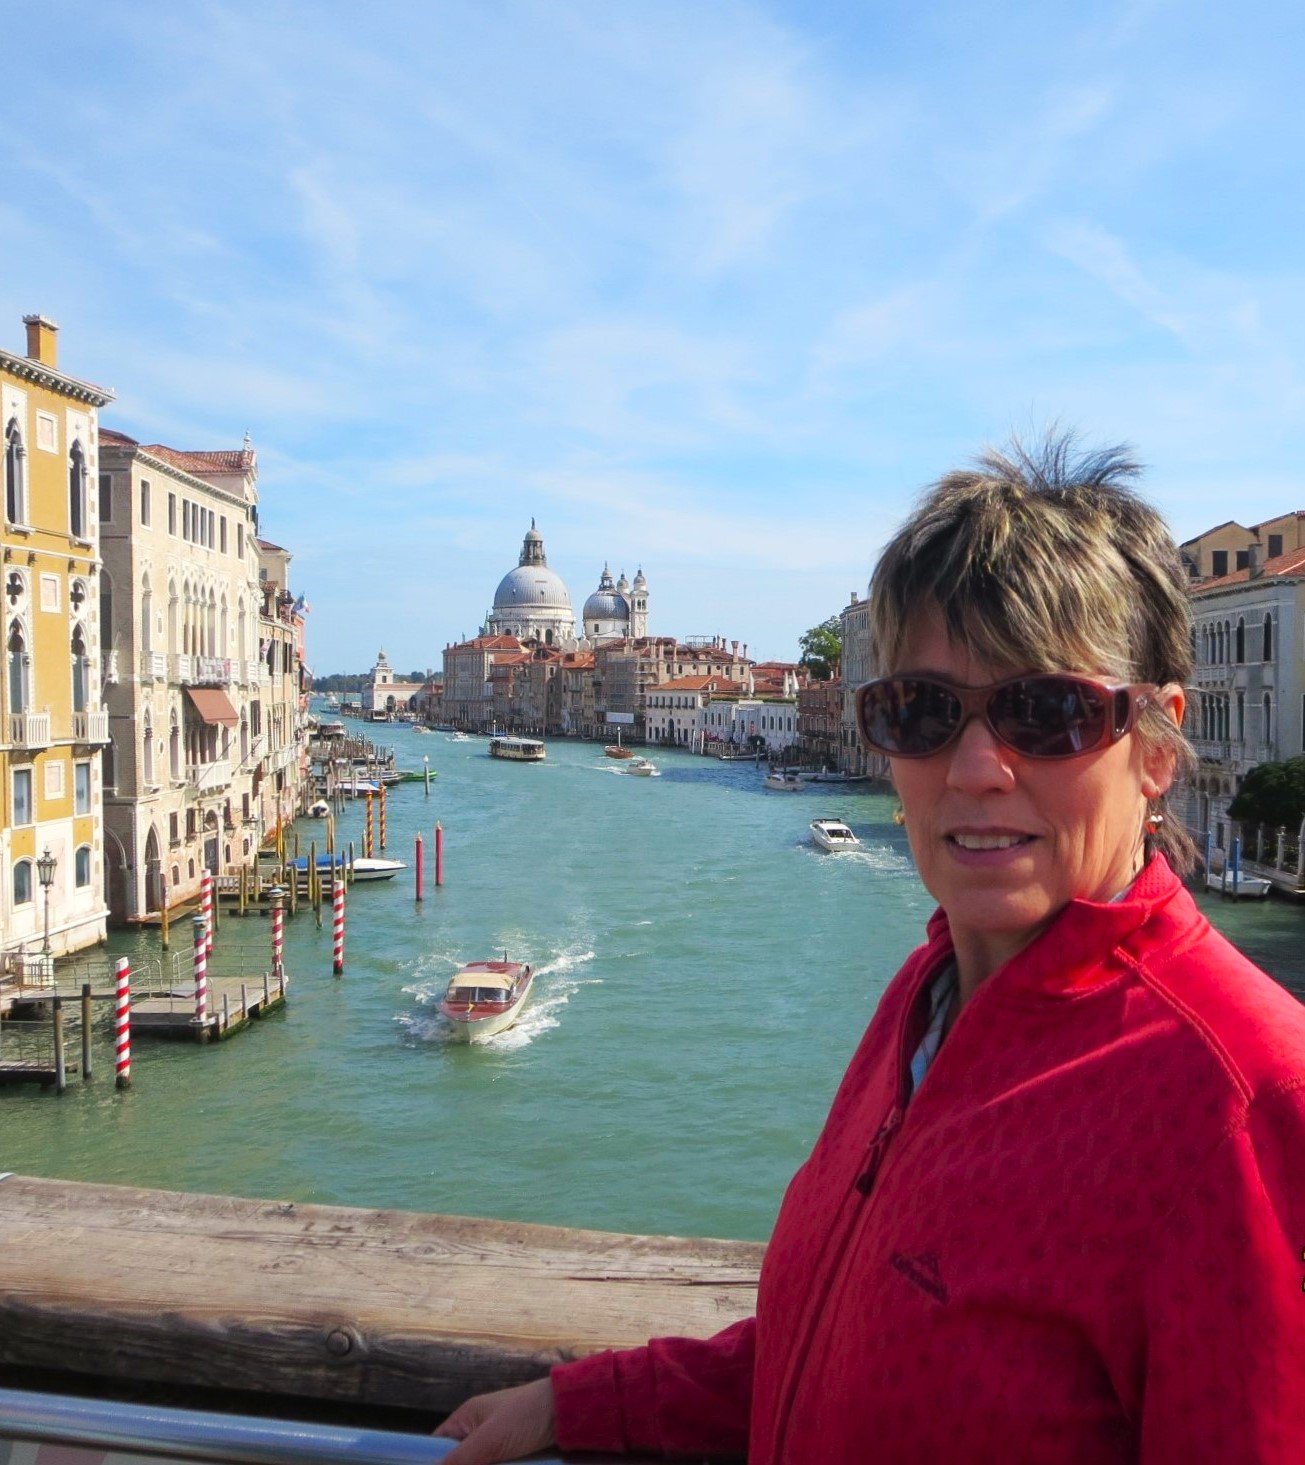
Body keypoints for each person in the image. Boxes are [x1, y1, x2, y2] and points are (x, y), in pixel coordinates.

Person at [435, 437, 1305, 1462]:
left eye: (1049, 712)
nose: (977, 767)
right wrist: (584, 1405)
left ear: (1155, 746)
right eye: (922, 712)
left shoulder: (1246, 1108)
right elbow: (845, 1336)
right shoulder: (928, 995)